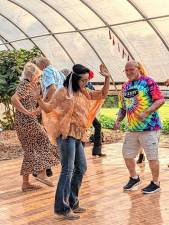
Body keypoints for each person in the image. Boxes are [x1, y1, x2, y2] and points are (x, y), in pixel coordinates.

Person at [35, 63, 110, 220]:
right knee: (67, 170)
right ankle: (62, 208)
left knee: (81, 168)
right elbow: (48, 108)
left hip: (79, 135)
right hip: (67, 135)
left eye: (86, 81)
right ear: (75, 79)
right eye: (83, 80)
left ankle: (72, 202)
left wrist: (107, 78)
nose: (85, 83)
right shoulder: (63, 92)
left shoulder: (84, 92)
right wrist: (38, 97)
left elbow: (103, 94)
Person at [114, 60, 165, 194]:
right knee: (127, 154)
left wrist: (146, 112)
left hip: (150, 127)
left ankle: (155, 182)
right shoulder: (125, 87)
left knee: (152, 157)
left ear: (139, 69)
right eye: (126, 70)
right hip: (132, 128)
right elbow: (123, 108)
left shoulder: (148, 82)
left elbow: (160, 100)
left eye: (132, 69)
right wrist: (118, 120)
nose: (129, 72)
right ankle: (134, 178)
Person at [11, 62, 60, 192]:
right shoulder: (25, 85)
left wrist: (37, 108)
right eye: (37, 76)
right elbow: (14, 99)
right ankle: (41, 173)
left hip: (24, 122)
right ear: (32, 75)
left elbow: (30, 102)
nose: (38, 78)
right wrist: (27, 112)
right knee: (44, 141)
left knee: (29, 150)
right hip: (27, 121)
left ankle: (26, 183)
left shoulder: (30, 85)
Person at [33, 57, 65, 177]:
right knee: (52, 139)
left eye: (37, 67)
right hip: (60, 110)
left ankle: (45, 167)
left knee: (43, 138)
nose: (38, 71)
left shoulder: (46, 72)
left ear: (41, 65)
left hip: (51, 109)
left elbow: (52, 89)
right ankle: (50, 167)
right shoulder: (58, 72)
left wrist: (43, 104)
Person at [86, 79, 106, 157]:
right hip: (81, 112)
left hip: (88, 111)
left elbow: (95, 95)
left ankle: (97, 150)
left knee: (97, 125)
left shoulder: (89, 84)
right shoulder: (75, 82)